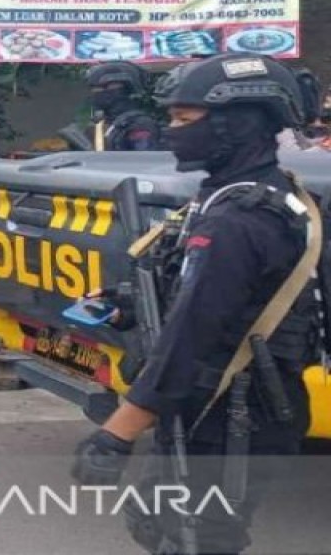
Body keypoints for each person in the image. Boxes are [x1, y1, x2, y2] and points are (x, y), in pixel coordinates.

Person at [71, 53, 317, 554]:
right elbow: (217, 292)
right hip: (213, 405)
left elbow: (194, 334)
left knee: (201, 540)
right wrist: (129, 303)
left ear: (238, 125)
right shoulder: (237, 195)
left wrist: (117, 434)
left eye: (185, 120)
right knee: (157, 522)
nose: (172, 130)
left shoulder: (240, 219)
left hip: (236, 415)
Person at [84, 62, 160, 151]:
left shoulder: (139, 124)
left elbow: (143, 161)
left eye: (100, 87)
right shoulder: (103, 123)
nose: (95, 91)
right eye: (94, 88)